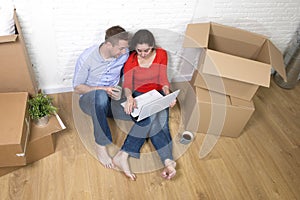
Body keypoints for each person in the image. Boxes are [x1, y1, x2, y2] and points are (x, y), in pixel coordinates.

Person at [112, 29, 177, 181]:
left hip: (157, 94)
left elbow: (163, 79)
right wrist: (129, 98)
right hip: (139, 95)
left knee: (162, 124)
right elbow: (127, 83)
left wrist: (167, 93)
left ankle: (124, 154)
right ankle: (168, 160)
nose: (142, 54)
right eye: (139, 50)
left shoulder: (161, 54)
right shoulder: (132, 59)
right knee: (153, 120)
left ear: (152, 46)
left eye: (146, 50)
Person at [73, 26, 130, 169]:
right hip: (90, 99)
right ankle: (100, 144)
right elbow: (77, 87)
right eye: (120, 49)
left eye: (125, 48)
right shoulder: (87, 58)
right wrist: (103, 89)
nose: (124, 52)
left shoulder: (124, 53)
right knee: (100, 96)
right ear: (108, 44)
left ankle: (125, 153)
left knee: (139, 113)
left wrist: (122, 92)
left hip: (113, 98)